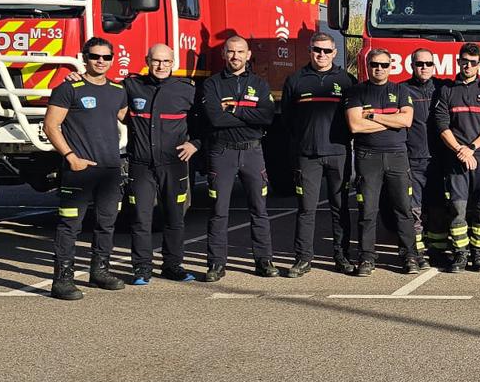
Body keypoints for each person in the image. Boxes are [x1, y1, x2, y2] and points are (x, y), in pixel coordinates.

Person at [44, 38, 128, 300]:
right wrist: (71, 157)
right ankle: (62, 280)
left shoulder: (118, 90)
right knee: (70, 225)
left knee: (107, 223)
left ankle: (99, 271)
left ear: (113, 59)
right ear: (84, 57)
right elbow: (50, 126)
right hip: (78, 170)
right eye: (94, 56)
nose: (100, 61)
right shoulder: (69, 88)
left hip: (110, 170)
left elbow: (132, 117)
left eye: (105, 57)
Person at [198, 35, 277, 282]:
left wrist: (233, 109)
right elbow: (214, 119)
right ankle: (216, 264)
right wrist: (249, 115)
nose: (235, 57)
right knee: (219, 211)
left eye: (240, 52)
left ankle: (264, 261)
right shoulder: (212, 85)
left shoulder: (260, 84)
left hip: (253, 152)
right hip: (222, 152)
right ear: (224, 54)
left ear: (248, 55)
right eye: (231, 52)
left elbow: (267, 117)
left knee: (259, 210)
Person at [282, 32, 356, 277]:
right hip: (307, 156)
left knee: (340, 207)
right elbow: (288, 121)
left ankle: (342, 256)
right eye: (317, 50)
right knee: (306, 209)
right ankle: (303, 259)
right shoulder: (295, 80)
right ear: (309, 50)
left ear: (335, 53)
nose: (321, 55)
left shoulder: (347, 80)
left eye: (326, 51)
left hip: (338, 153)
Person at [124, 43, 198, 285]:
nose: (161, 66)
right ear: (147, 61)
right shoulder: (131, 86)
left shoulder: (187, 90)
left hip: (173, 164)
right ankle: (142, 268)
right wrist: (77, 76)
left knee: (175, 217)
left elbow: (205, 122)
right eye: (156, 61)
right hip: (141, 165)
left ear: (173, 63)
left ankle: (172, 265)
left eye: (166, 61)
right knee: (140, 218)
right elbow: (103, 92)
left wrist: (195, 143)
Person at [345, 48, 420, 276]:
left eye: (384, 65)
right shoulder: (357, 92)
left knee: (403, 209)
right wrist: (391, 121)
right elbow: (355, 126)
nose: (379, 68)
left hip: (397, 156)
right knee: (367, 210)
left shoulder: (401, 90)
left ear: (391, 66)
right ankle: (367, 258)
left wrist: (374, 116)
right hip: (368, 157)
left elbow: (406, 120)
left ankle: (409, 256)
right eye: (375, 64)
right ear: (367, 66)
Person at [431, 43, 480, 272]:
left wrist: (470, 147)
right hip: (456, 158)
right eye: (464, 60)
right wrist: (459, 150)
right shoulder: (447, 91)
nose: (468, 65)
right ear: (458, 61)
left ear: (479, 64)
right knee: (457, 208)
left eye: (473, 62)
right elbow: (441, 124)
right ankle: (460, 254)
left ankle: (479, 254)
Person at [404, 50, 445, 264]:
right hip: (412, 159)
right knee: (414, 209)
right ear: (412, 65)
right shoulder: (402, 89)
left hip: (439, 160)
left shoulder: (443, 87)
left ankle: (437, 251)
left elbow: (470, 83)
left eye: (428, 63)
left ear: (434, 65)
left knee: (438, 207)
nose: (424, 67)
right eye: (419, 63)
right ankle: (415, 252)